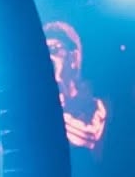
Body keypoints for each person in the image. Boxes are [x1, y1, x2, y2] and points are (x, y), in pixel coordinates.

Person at [45, 18, 108, 153]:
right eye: (45, 52)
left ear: (74, 58)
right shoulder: (39, 102)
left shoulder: (93, 106)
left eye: (55, 49)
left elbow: (88, 136)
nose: (49, 57)